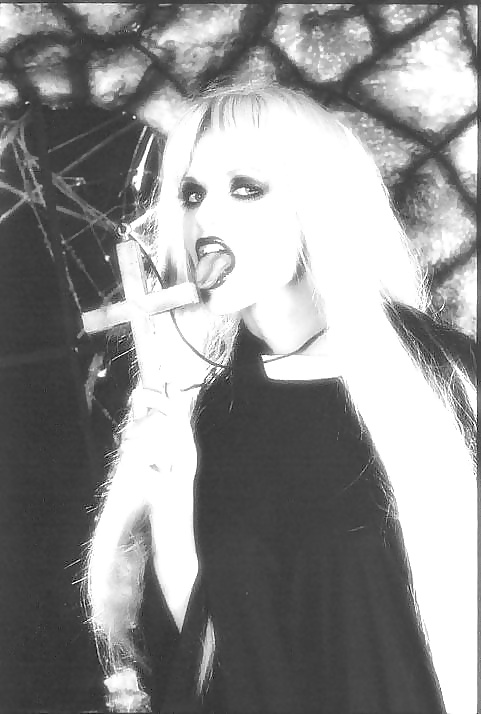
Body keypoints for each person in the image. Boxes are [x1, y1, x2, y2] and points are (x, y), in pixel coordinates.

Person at [84, 83, 476, 713]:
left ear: (315, 202)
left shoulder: (447, 380)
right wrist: (173, 496)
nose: (206, 220)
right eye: (191, 194)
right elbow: (212, 666)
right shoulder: (203, 415)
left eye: (246, 188)